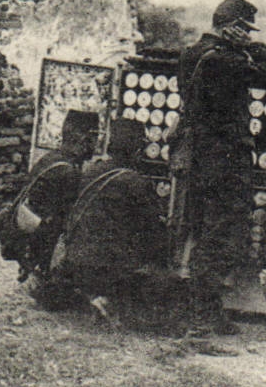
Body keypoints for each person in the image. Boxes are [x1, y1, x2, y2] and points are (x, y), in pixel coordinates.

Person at [170, 0, 266, 337]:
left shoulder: (191, 54)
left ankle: (206, 312)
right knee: (223, 237)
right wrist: (258, 47)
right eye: (245, 30)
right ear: (234, 29)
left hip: (196, 157)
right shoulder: (228, 61)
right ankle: (202, 318)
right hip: (225, 160)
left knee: (202, 231)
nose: (249, 36)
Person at [46, 119, 174, 320]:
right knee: (160, 254)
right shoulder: (135, 182)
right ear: (136, 151)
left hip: (75, 258)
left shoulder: (90, 172)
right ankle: (116, 298)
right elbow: (153, 230)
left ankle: (89, 293)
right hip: (107, 264)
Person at [0, 109, 99, 297]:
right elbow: (68, 222)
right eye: (95, 137)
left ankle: (35, 269)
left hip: (26, 235)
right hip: (38, 240)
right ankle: (48, 276)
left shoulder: (52, 158)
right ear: (84, 139)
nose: (96, 144)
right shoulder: (68, 172)